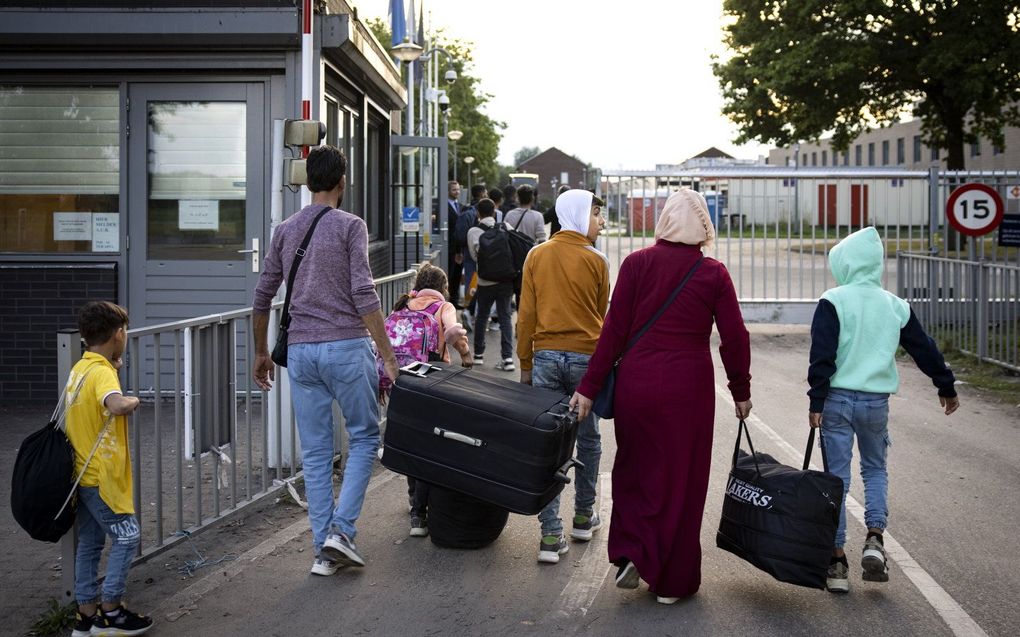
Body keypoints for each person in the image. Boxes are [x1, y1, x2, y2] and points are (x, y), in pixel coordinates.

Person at [571, 188, 752, 604]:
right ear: (703, 225)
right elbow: (734, 337)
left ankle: (634, 551)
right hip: (688, 388)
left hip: (637, 381)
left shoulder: (637, 264)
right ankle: (670, 580)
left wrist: (588, 387)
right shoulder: (713, 273)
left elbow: (612, 331)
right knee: (682, 480)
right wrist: (740, 390)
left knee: (635, 468)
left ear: (665, 220)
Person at [253, 145, 399, 577]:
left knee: (315, 454)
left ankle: (322, 551)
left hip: (299, 352)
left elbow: (262, 296)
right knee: (365, 438)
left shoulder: (285, 230)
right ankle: (342, 532)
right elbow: (364, 293)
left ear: (307, 181)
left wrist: (261, 352)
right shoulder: (351, 227)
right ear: (342, 182)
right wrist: (388, 356)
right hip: (345, 348)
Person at [807, 225, 960, 594]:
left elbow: (822, 355)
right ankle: (875, 539)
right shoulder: (895, 305)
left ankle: (837, 561)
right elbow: (923, 348)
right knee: (875, 470)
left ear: (845, 264)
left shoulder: (833, 300)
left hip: (838, 401)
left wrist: (816, 400)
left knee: (837, 481)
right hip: (876, 403)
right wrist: (946, 386)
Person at [517, 189, 609, 564]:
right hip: (587, 360)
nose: (600, 222)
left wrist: (525, 363)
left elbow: (526, 316)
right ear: (578, 214)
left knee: (549, 444)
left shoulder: (536, 255)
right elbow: (603, 316)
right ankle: (584, 515)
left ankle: (550, 534)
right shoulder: (597, 261)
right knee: (588, 440)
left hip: (546, 358)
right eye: (596, 215)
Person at [66, 300, 153, 636]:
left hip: (81, 475)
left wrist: (113, 365)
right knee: (128, 537)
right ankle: (111, 611)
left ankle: (85, 615)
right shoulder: (102, 374)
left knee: (89, 542)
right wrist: (133, 400)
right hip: (102, 478)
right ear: (119, 334)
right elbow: (115, 404)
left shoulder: (82, 367)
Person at [387, 263, 473, 537]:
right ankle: (419, 514)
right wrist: (466, 355)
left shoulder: (403, 305)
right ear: (443, 287)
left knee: (412, 440)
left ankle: (413, 496)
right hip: (432, 379)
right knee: (430, 446)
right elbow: (454, 332)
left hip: (402, 380)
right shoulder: (442, 306)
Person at [467, 198, 515, 371]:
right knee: (505, 317)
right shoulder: (506, 227)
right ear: (494, 212)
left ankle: (478, 355)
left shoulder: (473, 231)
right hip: (505, 280)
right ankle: (508, 358)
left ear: (478, 213)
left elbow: (474, 257)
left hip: (485, 280)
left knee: (482, 316)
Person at [446, 180, 465, 308]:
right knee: (450, 274)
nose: (457, 192)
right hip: (449, 246)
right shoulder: (444, 207)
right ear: (448, 191)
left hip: (459, 247)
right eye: (454, 190)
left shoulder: (461, 206)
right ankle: (448, 301)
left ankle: (455, 300)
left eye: (458, 189)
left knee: (457, 275)